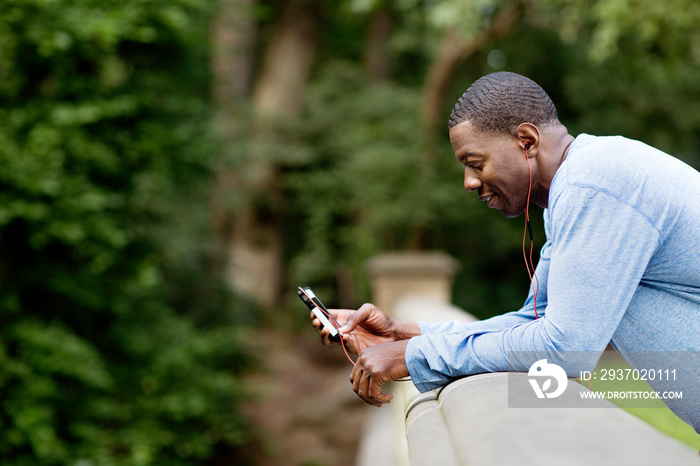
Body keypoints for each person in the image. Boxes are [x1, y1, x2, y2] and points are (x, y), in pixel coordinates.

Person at [310, 72, 700, 431]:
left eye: (475, 163)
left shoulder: (596, 188)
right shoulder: (581, 184)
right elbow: (534, 320)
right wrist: (403, 334)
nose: (467, 182)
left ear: (526, 141)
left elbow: (565, 349)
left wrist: (413, 355)